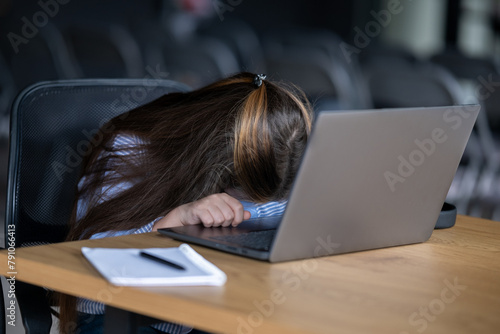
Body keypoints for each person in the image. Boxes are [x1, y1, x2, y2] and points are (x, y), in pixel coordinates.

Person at [58, 72, 313, 334]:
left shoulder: (271, 164)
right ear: (215, 162)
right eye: (245, 193)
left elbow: (273, 209)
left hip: (204, 310)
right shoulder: (127, 149)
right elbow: (97, 262)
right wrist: (175, 221)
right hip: (121, 315)